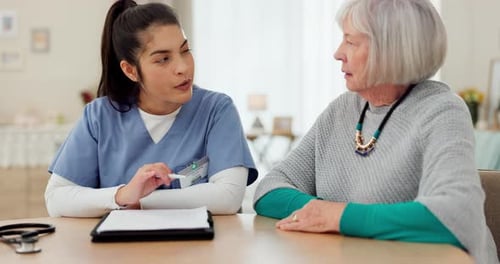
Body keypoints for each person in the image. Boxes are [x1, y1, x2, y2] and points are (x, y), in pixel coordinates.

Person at [253, 0, 498, 263]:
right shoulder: (342, 110)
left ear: (390, 50)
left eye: (351, 41)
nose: (338, 53)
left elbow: (456, 216)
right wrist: (320, 213)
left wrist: (338, 216)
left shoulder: (441, 110)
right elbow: (268, 190)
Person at [45, 0, 257, 217]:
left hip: (202, 248)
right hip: (120, 250)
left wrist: (143, 201)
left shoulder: (216, 110)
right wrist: (122, 195)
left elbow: (229, 196)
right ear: (130, 70)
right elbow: (56, 198)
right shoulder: (99, 116)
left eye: (185, 51)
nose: (183, 67)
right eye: (163, 59)